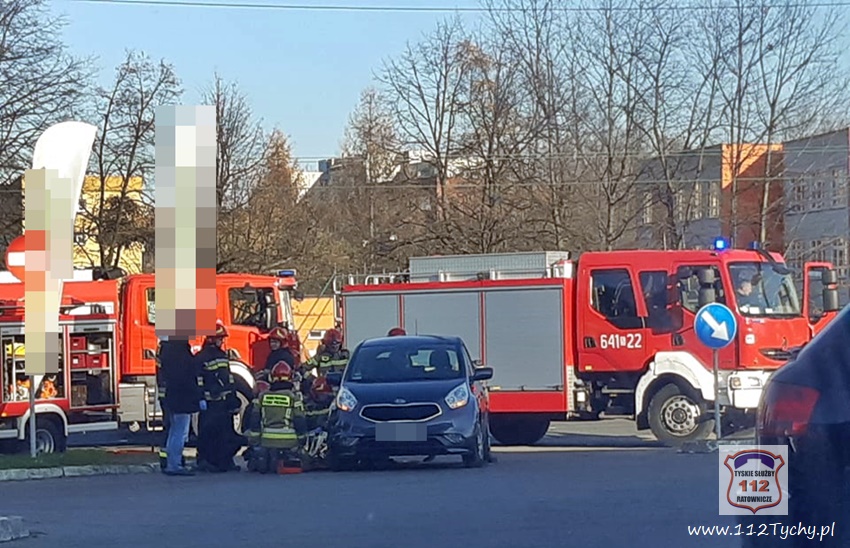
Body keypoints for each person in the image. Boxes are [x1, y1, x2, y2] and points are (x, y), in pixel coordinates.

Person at [195, 321, 242, 473]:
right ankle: (209, 461)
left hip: (221, 404)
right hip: (212, 404)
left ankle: (223, 462)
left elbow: (228, 378)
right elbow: (199, 380)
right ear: (212, 339)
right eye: (220, 339)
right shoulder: (204, 357)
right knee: (211, 434)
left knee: (224, 435)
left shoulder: (219, 356)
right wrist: (202, 397)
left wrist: (233, 397)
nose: (222, 342)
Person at [251, 361, 308, 474]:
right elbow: (299, 420)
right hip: (289, 442)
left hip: (266, 441)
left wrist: (255, 440)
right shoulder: (293, 397)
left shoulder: (262, 396)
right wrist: (302, 439)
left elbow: (254, 419)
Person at [160, 337, 205, 476]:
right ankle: (175, 465)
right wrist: (198, 396)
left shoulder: (168, 351)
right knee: (180, 433)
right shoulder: (181, 354)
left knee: (174, 431)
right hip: (182, 399)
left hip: (172, 397)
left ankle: (172, 463)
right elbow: (188, 378)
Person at [243, 380, 270, 471]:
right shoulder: (267, 405)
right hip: (265, 437)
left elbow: (244, 426)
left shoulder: (250, 406)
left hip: (254, 436)